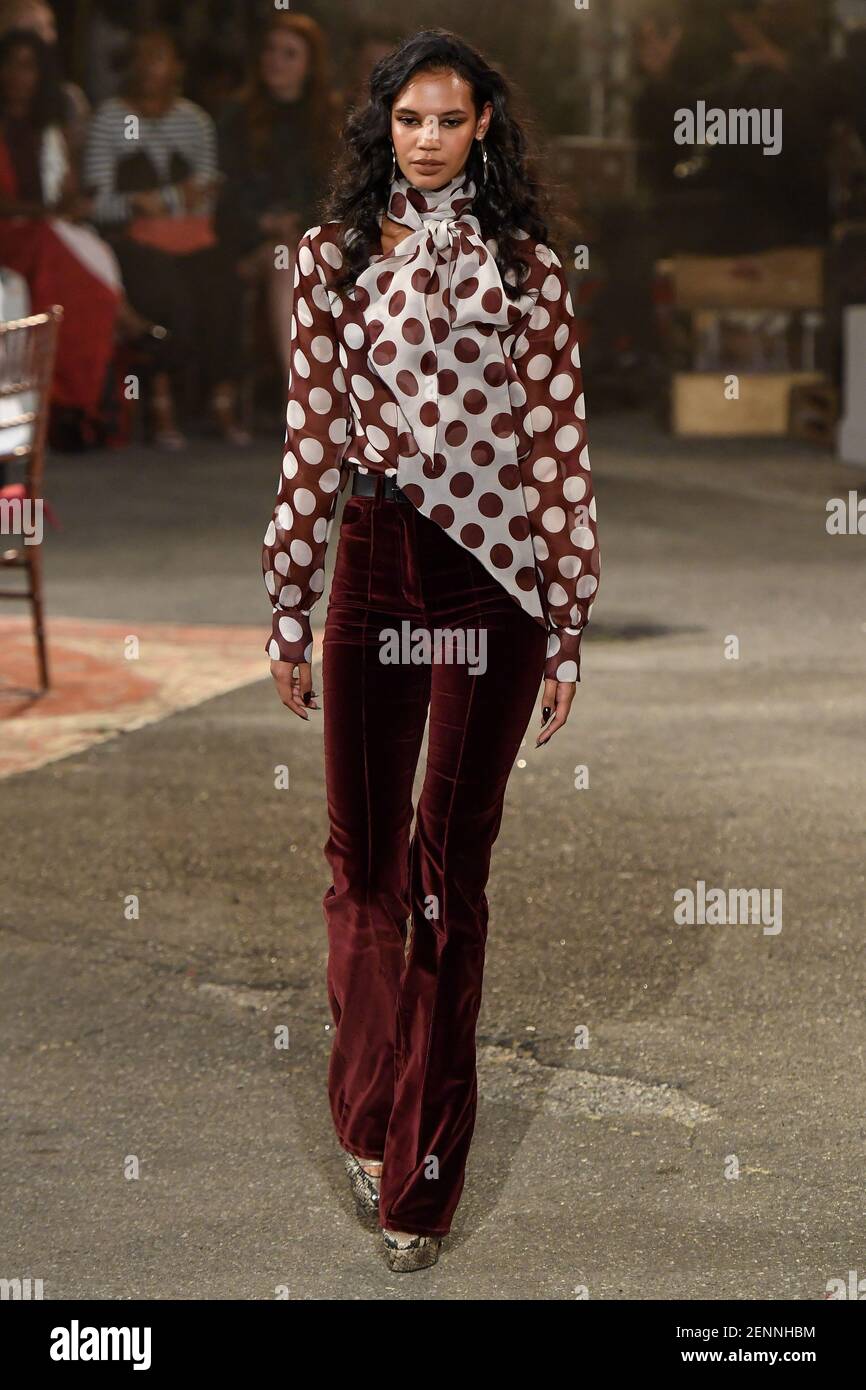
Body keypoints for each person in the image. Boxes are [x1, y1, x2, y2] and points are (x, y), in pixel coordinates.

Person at [261, 28, 600, 1272]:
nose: (426, 140)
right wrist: (289, 600)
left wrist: (566, 621)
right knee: (361, 864)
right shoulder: (330, 258)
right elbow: (307, 436)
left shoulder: (525, 272)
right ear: (382, 128)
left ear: (483, 131)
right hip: (374, 556)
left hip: (493, 576)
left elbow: (558, 452)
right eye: (407, 119)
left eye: (448, 121)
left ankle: (423, 1177)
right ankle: (364, 1109)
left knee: (447, 875)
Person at [83, 27, 248, 449]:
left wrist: (161, 201)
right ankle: (160, 403)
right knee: (160, 283)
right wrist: (150, 201)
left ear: (177, 67)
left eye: (159, 56)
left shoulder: (193, 120)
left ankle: (220, 398)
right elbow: (95, 204)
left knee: (221, 282)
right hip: (131, 240)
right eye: (141, 57)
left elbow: (207, 194)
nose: (149, 67)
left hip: (190, 237)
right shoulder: (110, 119)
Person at [0, 27, 121, 438]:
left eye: (28, 67)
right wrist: (44, 211)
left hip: (44, 230)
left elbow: (65, 189)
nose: (18, 75)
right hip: (13, 235)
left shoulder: (47, 129)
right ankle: (57, 400)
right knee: (50, 247)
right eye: (10, 64)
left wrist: (72, 202)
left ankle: (73, 405)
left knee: (94, 268)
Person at [216, 10, 338, 378]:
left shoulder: (328, 118)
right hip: (254, 243)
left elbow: (338, 190)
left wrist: (301, 222)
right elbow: (226, 196)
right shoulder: (237, 116)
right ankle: (301, 395)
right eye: (270, 50)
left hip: (318, 238)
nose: (275, 60)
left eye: (289, 53)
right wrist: (266, 222)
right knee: (285, 258)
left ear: (309, 64)